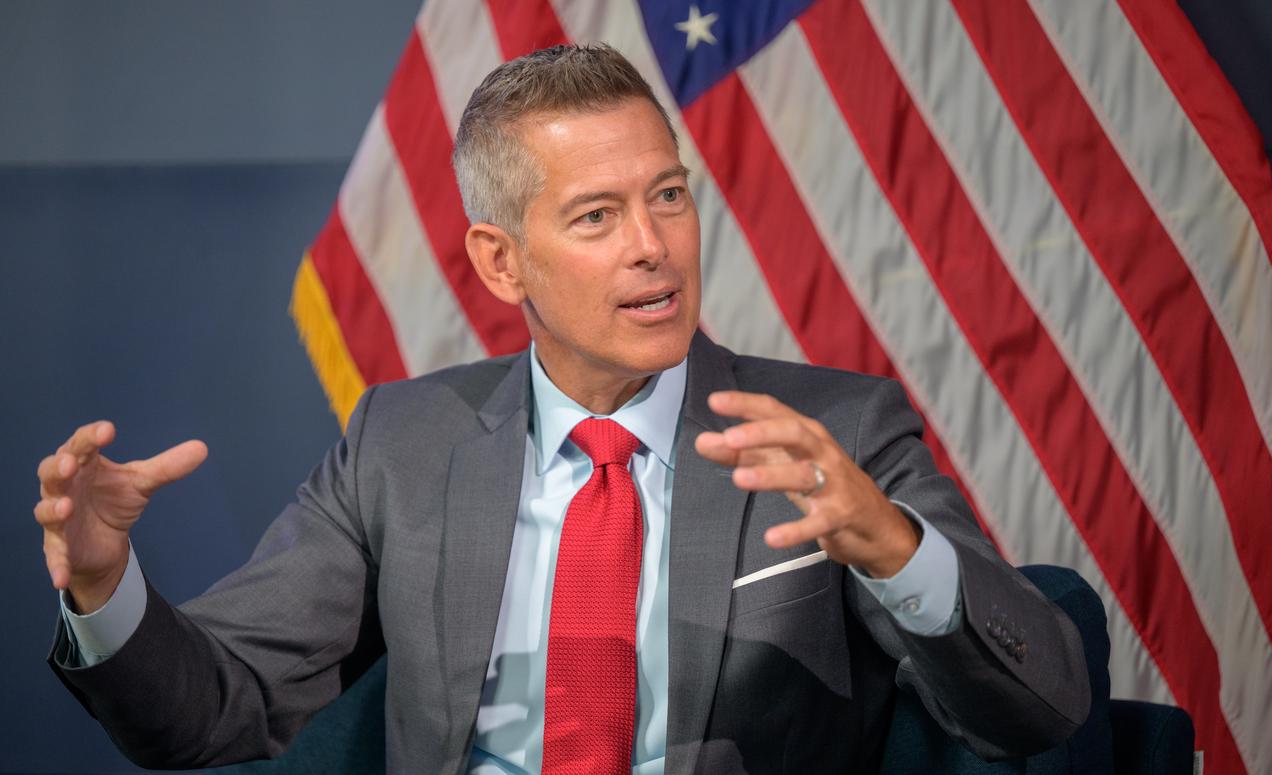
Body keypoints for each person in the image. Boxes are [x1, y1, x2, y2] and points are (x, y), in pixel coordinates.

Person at [35, 44, 1088, 773]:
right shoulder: (402, 445)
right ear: (501, 263)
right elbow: (210, 714)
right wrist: (103, 583)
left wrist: (895, 547)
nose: (652, 244)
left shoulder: (833, 431)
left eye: (666, 195)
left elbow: (1035, 712)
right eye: (596, 214)